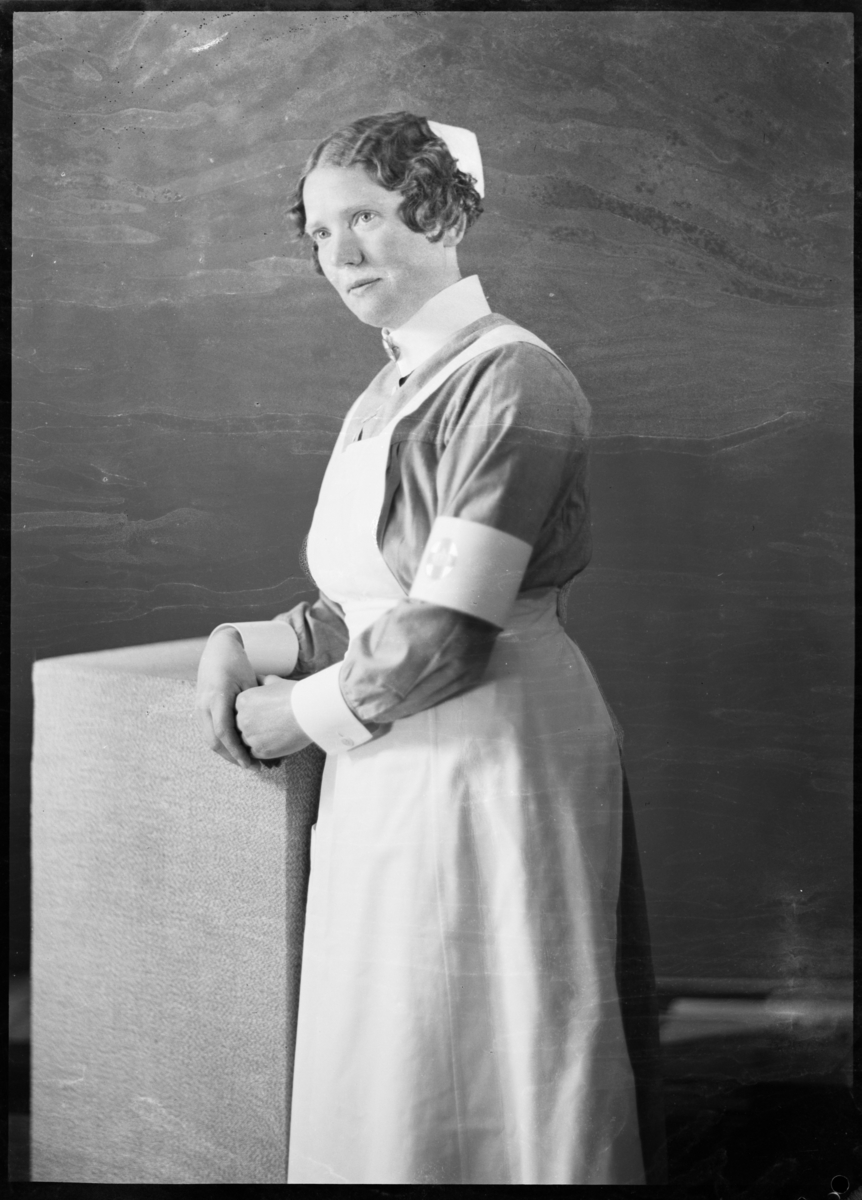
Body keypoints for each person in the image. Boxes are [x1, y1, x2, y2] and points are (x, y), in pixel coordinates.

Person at [195, 111, 664, 1186]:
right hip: (387, 757)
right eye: (320, 232)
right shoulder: (387, 389)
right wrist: (249, 642)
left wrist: (299, 713)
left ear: (443, 213)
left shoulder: (514, 381)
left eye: (365, 217)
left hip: (497, 754)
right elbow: (368, 601)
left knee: (505, 1053)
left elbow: (451, 625)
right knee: (397, 1055)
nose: (340, 253)